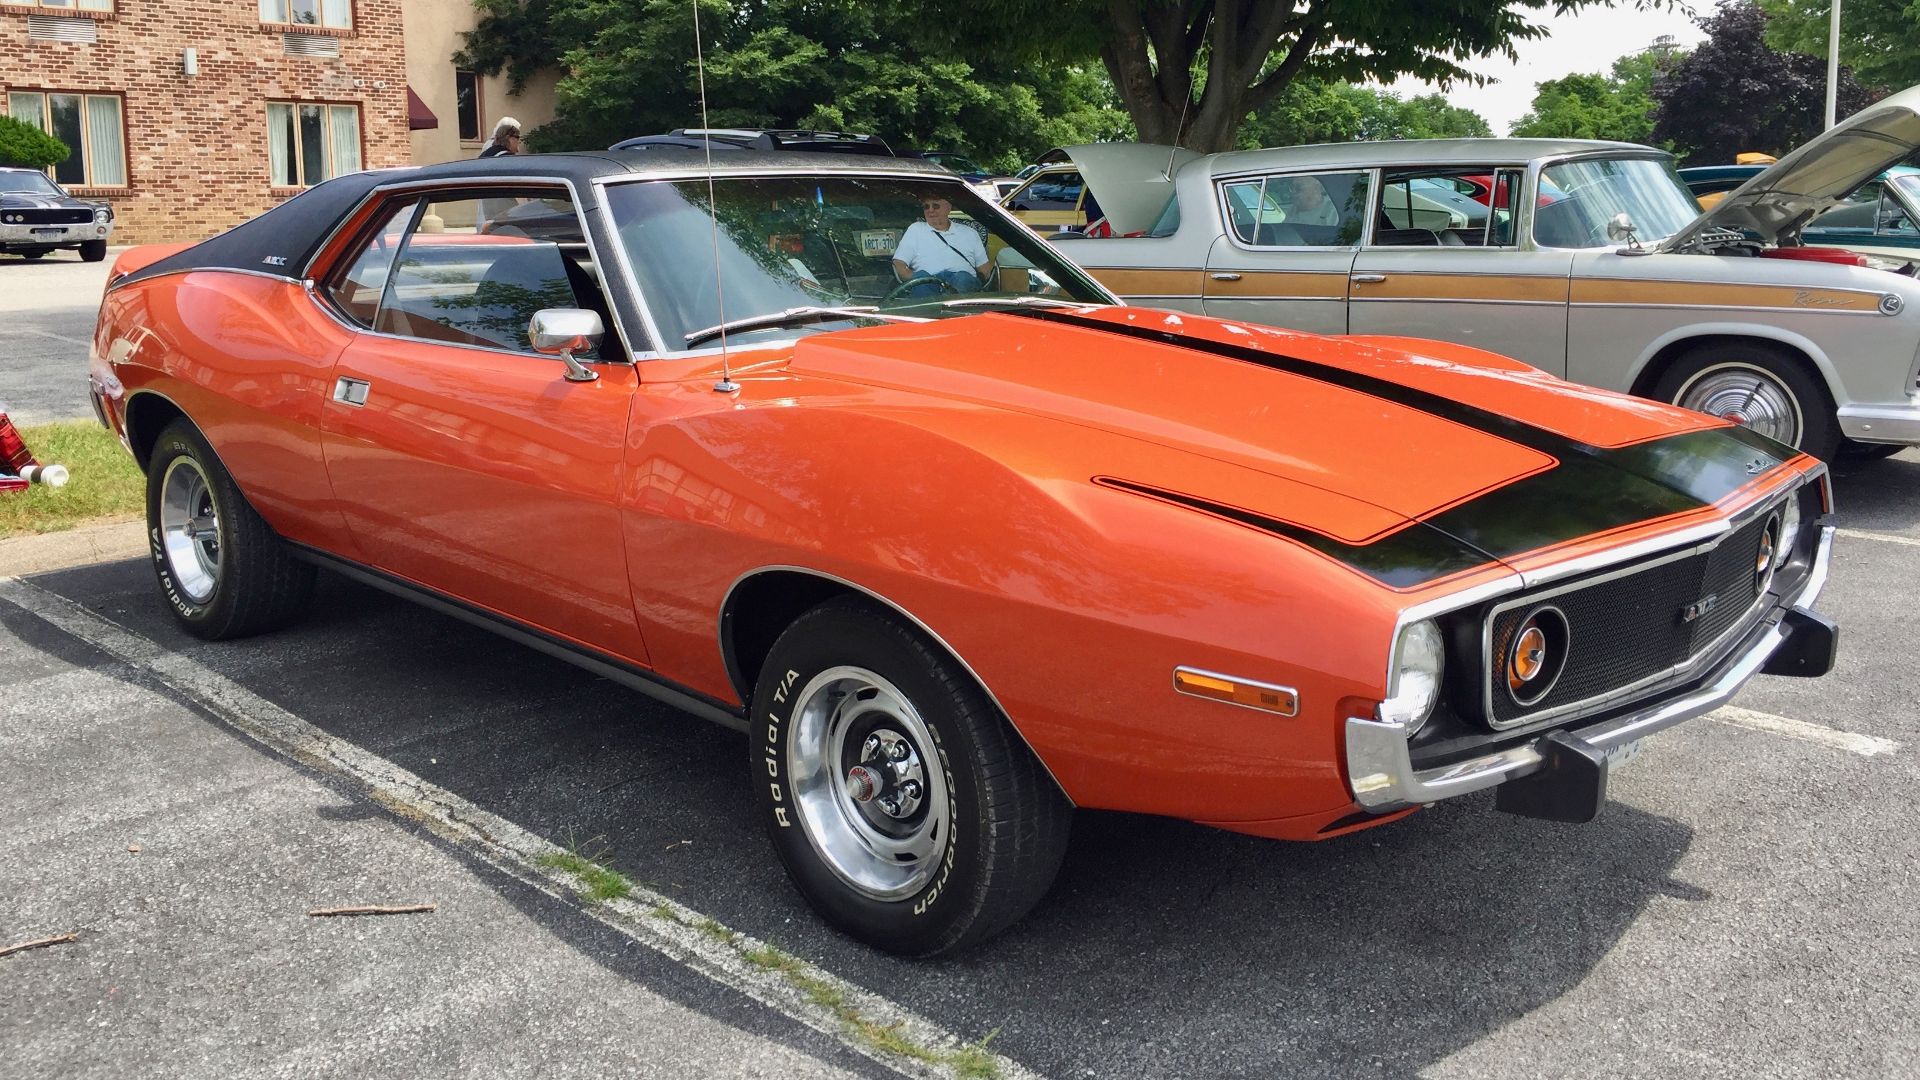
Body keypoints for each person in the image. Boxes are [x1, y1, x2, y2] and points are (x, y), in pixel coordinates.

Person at [891, 195, 990, 296]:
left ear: (948, 207)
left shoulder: (969, 232)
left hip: (962, 283)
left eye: (935, 206)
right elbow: (899, 263)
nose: (930, 210)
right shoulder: (915, 229)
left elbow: (985, 270)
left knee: (963, 277)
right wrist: (916, 279)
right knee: (921, 278)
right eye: (926, 207)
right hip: (928, 282)